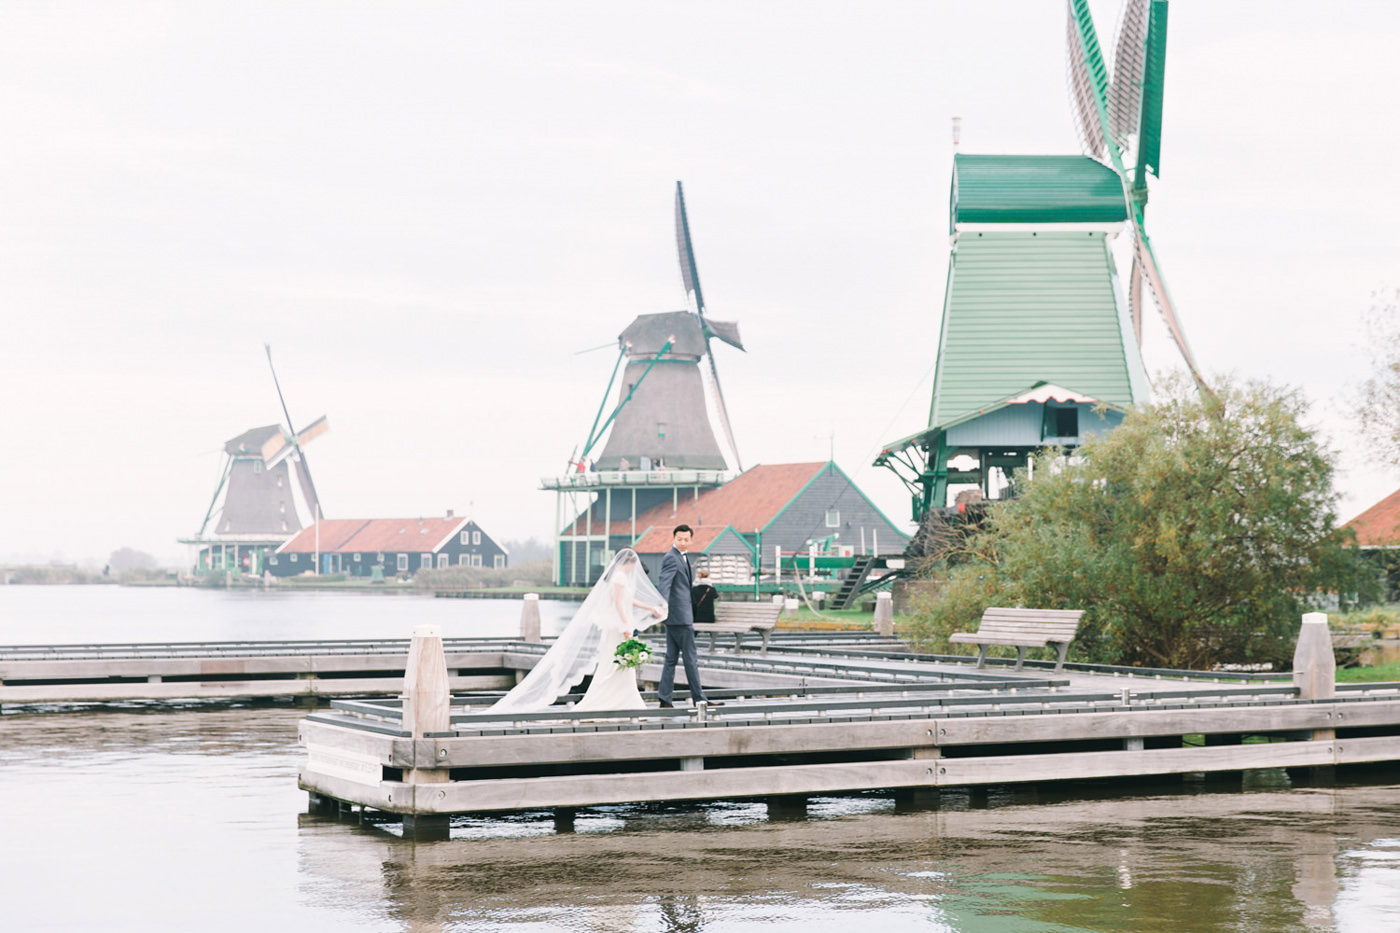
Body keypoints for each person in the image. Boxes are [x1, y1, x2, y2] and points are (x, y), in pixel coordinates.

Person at [490, 549, 664, 712]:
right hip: (618, 626)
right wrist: (626, 625)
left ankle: (626, 700)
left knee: (620, 663)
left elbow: (629, 600)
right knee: (614, 662)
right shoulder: (619, 578)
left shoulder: (621, 578)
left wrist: (650, 608)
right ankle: (613, 699)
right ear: (630, 564)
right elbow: (618, 603)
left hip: (620, 625)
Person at [656, 524, 713, 708]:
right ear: (674, 539)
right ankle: (700, 699)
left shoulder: (682, 557)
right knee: (690, 658)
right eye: (679, 539)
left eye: (685, 539)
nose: (682, 542)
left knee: (671, 658)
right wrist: (662, 605)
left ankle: (664, 698)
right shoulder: (671, 558)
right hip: (679, 617)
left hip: (676, 616)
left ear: (691, 540)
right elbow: (664, 584)